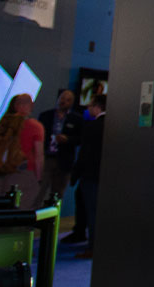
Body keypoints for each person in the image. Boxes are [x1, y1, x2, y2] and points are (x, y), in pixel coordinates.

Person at [0, 94, 45, 209]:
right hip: (23, 173)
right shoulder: (35, 126)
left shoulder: (3, 123)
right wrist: (38, 179)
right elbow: (39, 155)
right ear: (30, 105)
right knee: (19, 211)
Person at [36, 89, 83, 217]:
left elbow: (80, 138)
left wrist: (68, 139)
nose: (64, 101)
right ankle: (31, 221)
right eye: (62, 98)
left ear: (72, 103)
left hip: (64, 161)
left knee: (57, 195)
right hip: (46, 158)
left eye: (68, 100)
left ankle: (50, 223)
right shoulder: (46, 116)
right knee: (38, 191)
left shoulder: (77, 119)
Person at [71, 94, 106, 259]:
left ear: (98, 106)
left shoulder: (92, 127)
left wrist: (75, 175)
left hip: (91, 176)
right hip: (107, 177)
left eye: (91, 105)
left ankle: (93, 248)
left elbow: (84, 155)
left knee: (92, 213)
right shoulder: (115, 126)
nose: (88, 108)